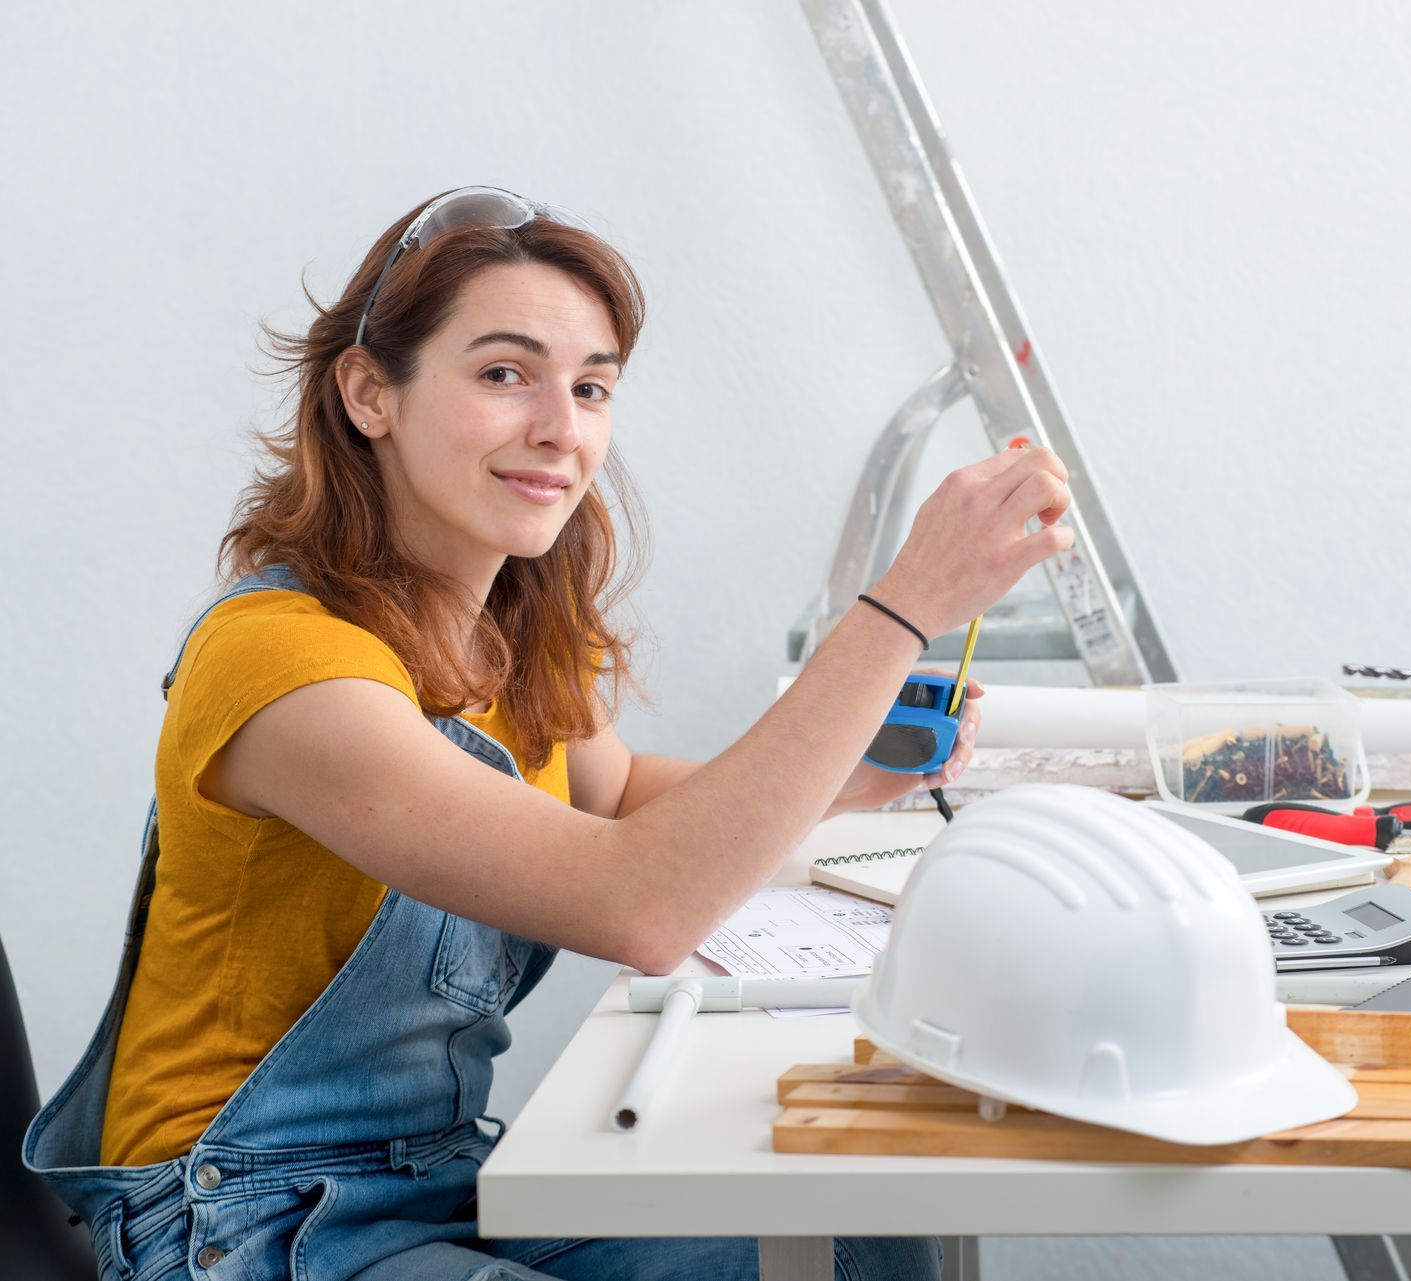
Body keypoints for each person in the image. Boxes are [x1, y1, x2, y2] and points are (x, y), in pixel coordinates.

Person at [24, 186, 1075, 1280]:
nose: (560, 430)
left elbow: (615, 802)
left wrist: (844, 776)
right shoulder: (284, 664)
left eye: (590, 387)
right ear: (368, 393)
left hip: (440, 1177)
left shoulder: (509, 633)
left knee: (858, 1231)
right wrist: (899, 612)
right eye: (502, 375)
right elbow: (639, 901)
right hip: (237, 1222)